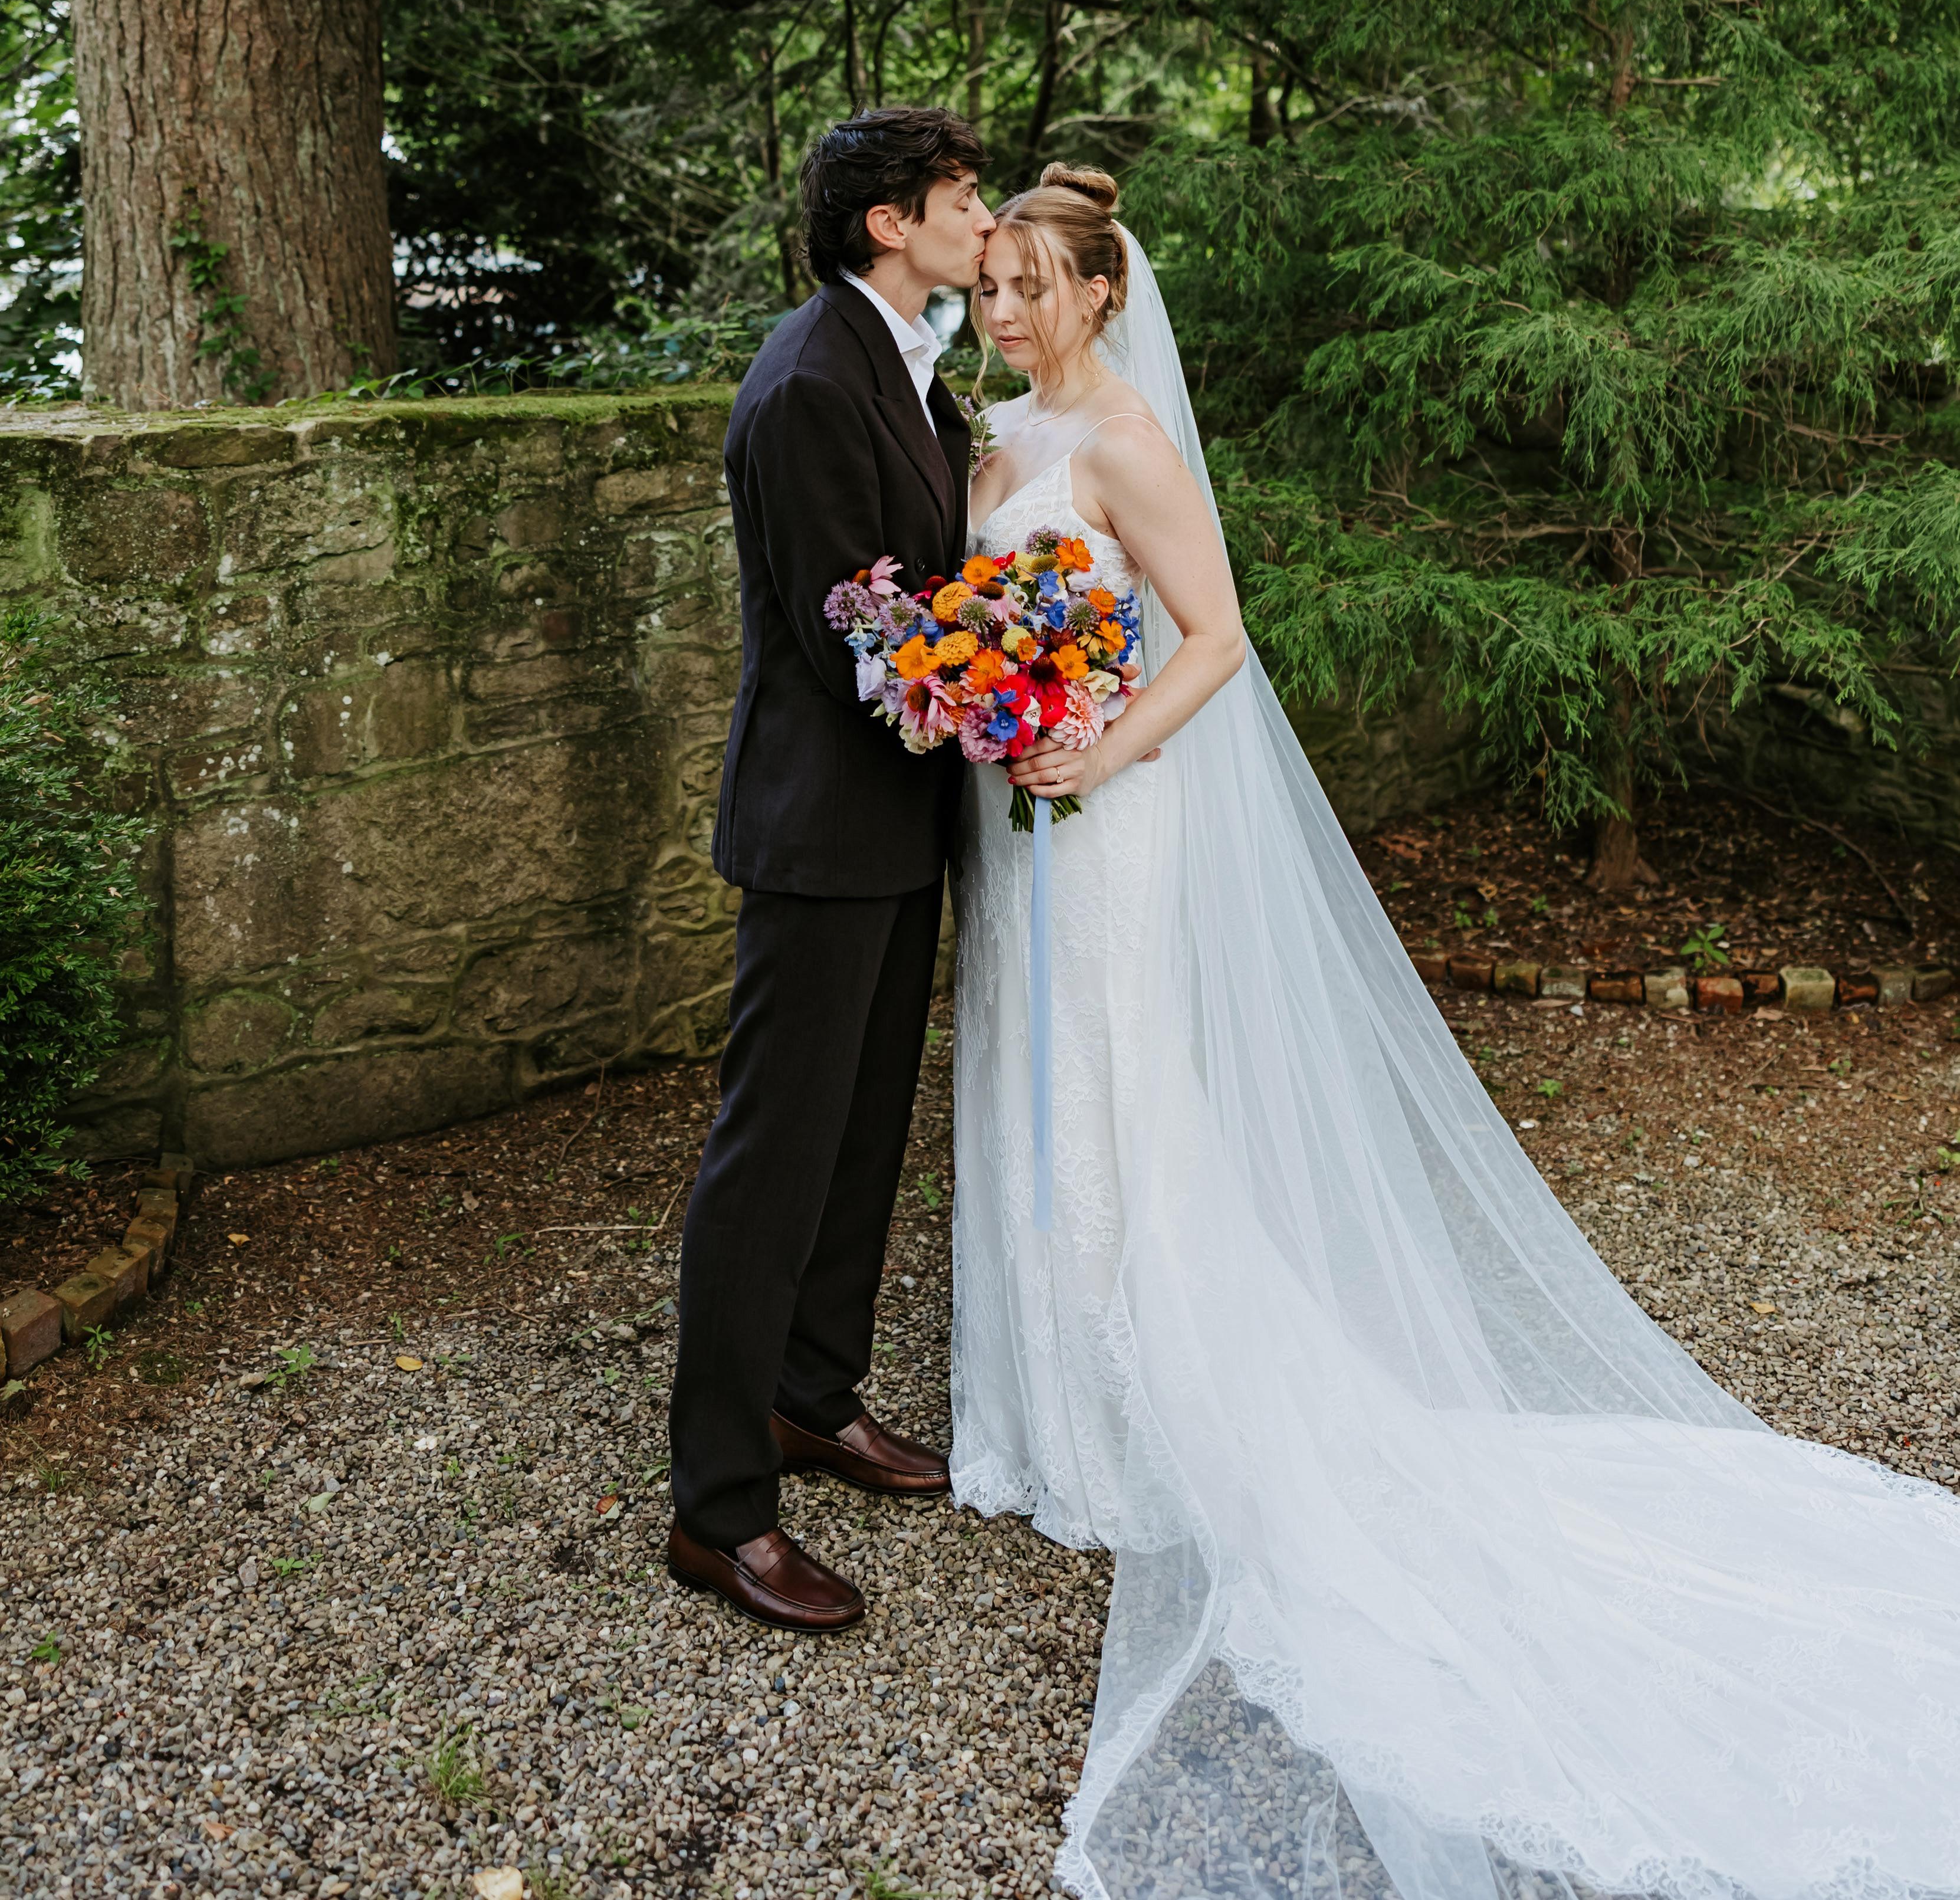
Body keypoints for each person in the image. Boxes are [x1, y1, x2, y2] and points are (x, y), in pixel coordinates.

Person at [954, 164, 1960, 1900]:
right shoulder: (995, 438)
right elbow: (991, 616)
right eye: (993, 285)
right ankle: (1046, 1404)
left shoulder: (1122, 442)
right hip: (1012, 811)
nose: (1009, 311)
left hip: (1106, 813)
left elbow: (1216, 639)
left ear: (1104, 294)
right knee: (1021, 1082)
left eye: (1037, 285)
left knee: (1115, 1088)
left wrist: (1096, 750)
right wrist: (976, 697)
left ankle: (1142, 1418)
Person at [667, 106, 992, 1633]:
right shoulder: (809, 381)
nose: (981, 217)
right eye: (960, 195)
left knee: (864, 1132)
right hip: (817, 828)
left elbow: (927, 579)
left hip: (901, 822)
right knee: (773, 1155)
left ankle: (812, 1393)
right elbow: (850, 624)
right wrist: (1001, 683)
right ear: (887, 222)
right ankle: (720, 1507)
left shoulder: (910, 367)